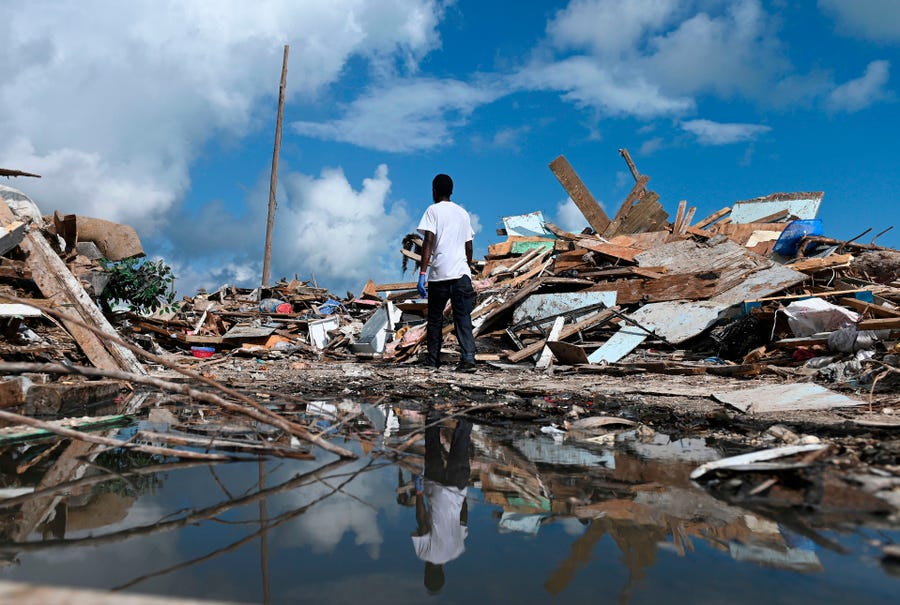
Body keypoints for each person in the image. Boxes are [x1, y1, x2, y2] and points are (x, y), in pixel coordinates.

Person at [416, 173, 477, 372]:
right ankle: (468, 359)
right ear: (451, 191)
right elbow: (469, 245)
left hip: (439, 275)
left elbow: (428, 241)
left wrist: (422, 272)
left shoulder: (432, 211)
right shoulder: (463, 213)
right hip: (461, 274)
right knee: (463, 318)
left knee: (435, 319)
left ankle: (433, 361)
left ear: (434, 190)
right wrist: (467, 267)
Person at [411, 415, 473, 595]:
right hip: (435, 491)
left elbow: (463, 519)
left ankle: (466, 417)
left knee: (461, 446)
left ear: (443, 573)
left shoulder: (457, 550)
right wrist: (418, 492)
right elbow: (422, 523)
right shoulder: (424, 554)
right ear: (427, 572)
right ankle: (432, 416)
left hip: (456, 489)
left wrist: (462, 495)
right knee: (432, 448)